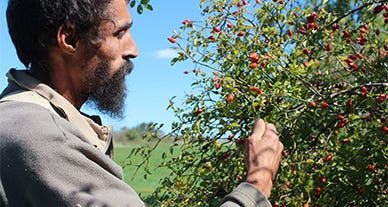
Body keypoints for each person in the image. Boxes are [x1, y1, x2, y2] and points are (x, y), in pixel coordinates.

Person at [0, 0, 284, 206]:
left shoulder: (21, 117)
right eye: (119, 33)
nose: (133, 49)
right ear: (70, 38)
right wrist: (257, 184)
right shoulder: (43, 137)